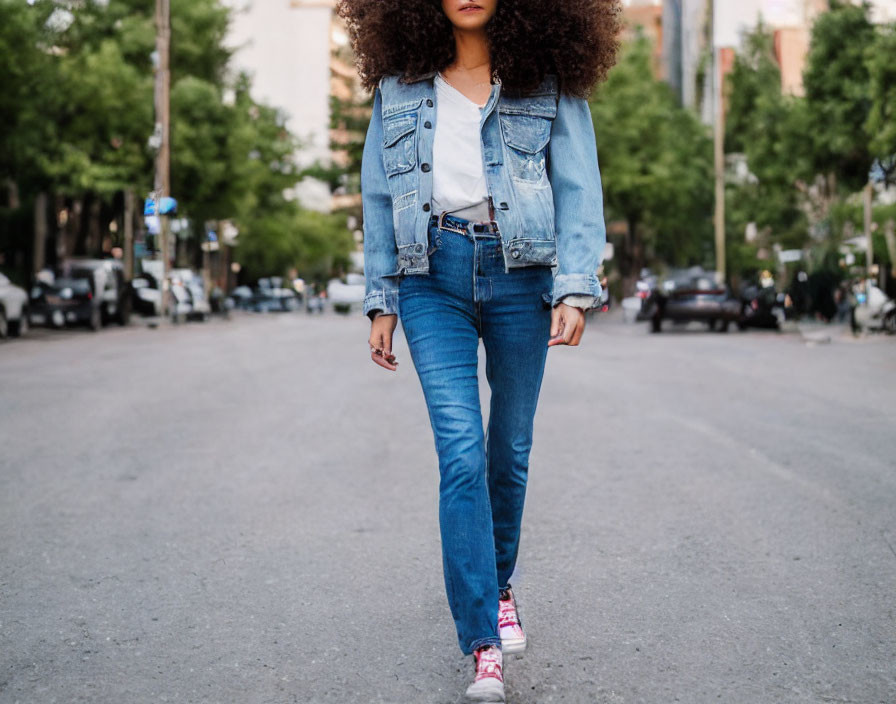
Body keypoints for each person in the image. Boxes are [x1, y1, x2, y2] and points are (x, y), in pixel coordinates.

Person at [338, 0, 619, 700]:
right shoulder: (398, 87)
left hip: (522, 273)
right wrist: (382, 301)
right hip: (430, 277)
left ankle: (499, 585)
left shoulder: (546, 80)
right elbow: (377, 197)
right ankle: (484, 642)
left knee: (509, 451)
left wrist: (575, 288)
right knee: (460, 451)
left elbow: (580, 186)